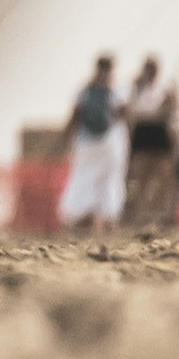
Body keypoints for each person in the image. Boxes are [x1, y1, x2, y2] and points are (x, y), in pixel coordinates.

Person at [60, 52, 128, 231]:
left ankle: (80, 215)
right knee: (109, 179)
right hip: (110, 141)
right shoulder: (116, 91)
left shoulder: (83, 91)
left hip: (86, 141)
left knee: (83, 175)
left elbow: (74, 117)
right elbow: (124, 116)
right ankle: (108, 217)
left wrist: (63, 139)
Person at [125, 56, 179, 232]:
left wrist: (169, 104)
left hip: (159, 132)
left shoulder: (165, 87)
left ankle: (162, 216)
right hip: (142, 131)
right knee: (141, 176)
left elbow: (172, 109)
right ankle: (140, 216)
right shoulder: (135, 87)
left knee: (164, 175)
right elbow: (131, 109)